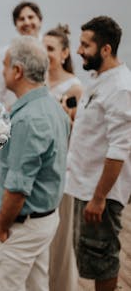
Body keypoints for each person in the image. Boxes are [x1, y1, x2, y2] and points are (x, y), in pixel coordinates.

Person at [0, 36, 70, 291]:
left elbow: (18, 186)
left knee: (3, 286)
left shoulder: (28, 119)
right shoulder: (53, 107)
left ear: (17, 71)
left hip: (24, 224)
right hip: (46, 218)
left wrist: (1, 226)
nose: (2, 71)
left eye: (4, 65)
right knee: (37, 285)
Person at [65, 16, 131, 291]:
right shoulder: (98, 79)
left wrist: (99, 198)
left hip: (100, 193)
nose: (78, 50)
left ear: (106, 49)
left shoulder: (120, 88)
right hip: (84, 186)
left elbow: (120, 149)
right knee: (91, 258)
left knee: (104, 260)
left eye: (85, 45)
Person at [42, 24, 82, 291]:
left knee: (61, 235)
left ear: (65, 53)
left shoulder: (75, 87)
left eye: (51, 49)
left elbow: (76, 131)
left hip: (62, 164)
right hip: (39, 164)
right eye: (42, 48)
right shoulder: (39, 82)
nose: (45, 54)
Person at [0, 1, 43, 108]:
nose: (26, 22)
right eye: (21, 19)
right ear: (16, 25)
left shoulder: (49, 50)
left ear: (40, 20)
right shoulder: (4, 54)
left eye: (31, 17)